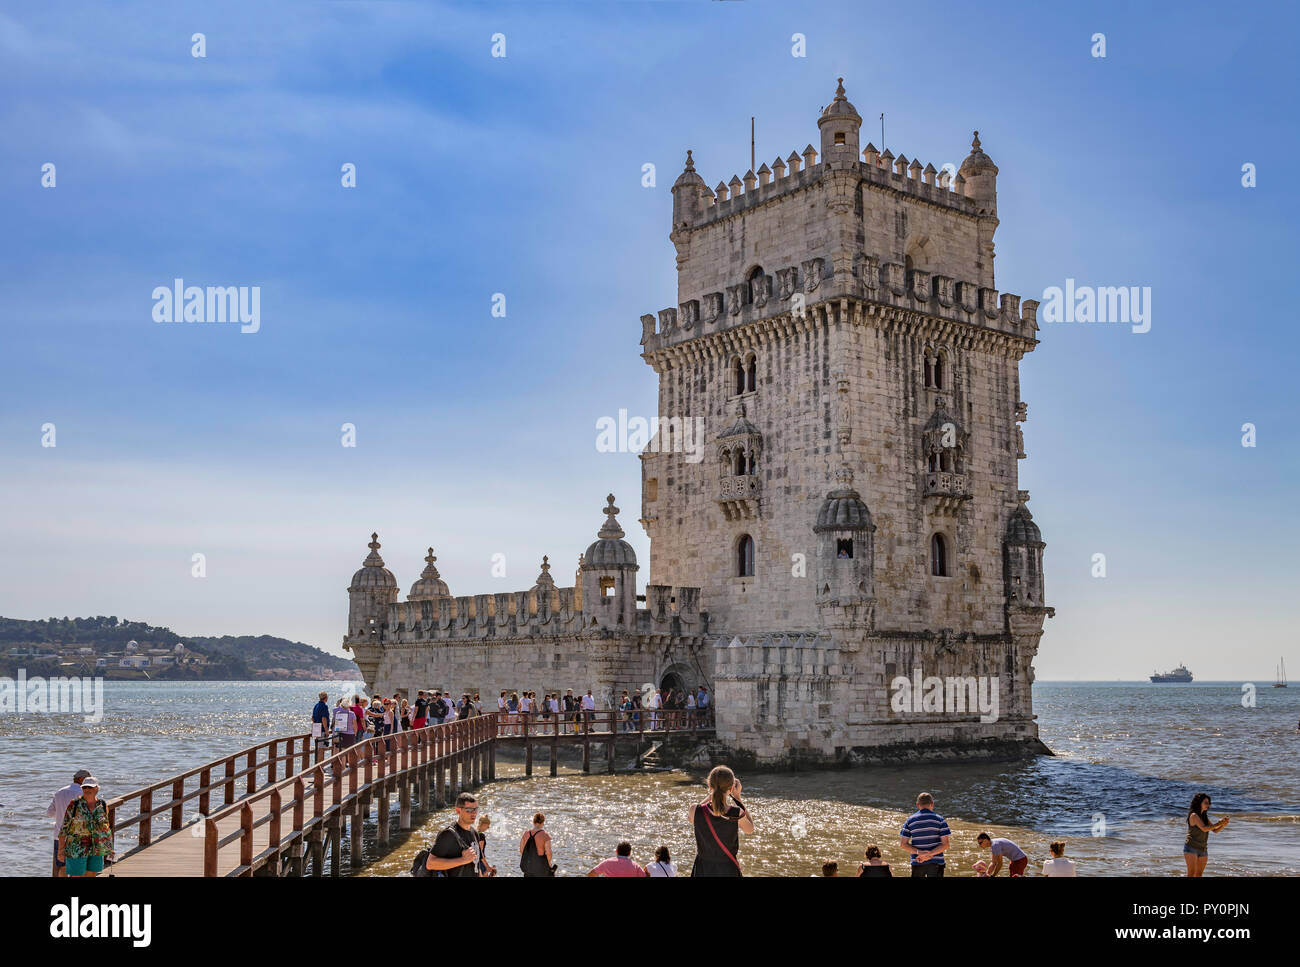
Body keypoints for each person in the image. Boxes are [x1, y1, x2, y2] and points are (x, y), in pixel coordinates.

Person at [689, 765, 753, 876]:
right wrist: (738, 798)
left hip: (703, 869)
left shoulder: (695, 809)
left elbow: (691, 819)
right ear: (731, 789)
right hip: (728, 870)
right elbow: (750, 829)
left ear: (709, 786)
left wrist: (712, 795)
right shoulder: (736, 813)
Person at [58, 777, 113, 877]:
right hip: (76, 847)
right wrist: (61, 850)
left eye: (90, 787)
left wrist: (110, 848)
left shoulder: (102, 805)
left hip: (96, 848)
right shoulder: (74, 804)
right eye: (84, 787)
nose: (87, 790)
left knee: (92, 874)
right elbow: (64, 828)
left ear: (96, 788)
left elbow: (106, 828)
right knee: (77, 875)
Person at [47, 769, 91, 876]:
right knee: (78, 867)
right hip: (78, 836)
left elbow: (49, 813)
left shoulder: (60, 792)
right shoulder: (83, 793)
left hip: (59, 834)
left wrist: (60, 815)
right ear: (81, 779)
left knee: (62, 866)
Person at [425, 793, 482, 876]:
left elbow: (476, 866)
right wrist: (463, 860)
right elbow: (430, 864)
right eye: (469, 810)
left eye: (476, 809)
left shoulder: (474, 833)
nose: (474, 813)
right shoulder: (448, 834)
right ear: (458, 811)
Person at [899, 792, 951, 877]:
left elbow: (903, 844)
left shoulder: (910, 820)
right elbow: (946, 845)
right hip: (936, 862)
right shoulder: (940, 820)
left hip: (918, 861)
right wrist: (930, 854)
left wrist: (919, 853)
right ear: (932, 804)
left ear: (917, 804)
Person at [1184, 792, 1229, 877]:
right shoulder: (1194, 815)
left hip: (1203, 849)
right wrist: (1218, 823)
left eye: (1209, 803)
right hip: (1191, 848)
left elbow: (1215, 830)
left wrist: (1223, 824)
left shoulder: (1204, 816)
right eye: (1206, 803)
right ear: (1199, 802)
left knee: (1199, 875)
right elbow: (1204, 828)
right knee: (1191, 874)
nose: (1208, 805)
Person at [520, 812, 556, 877]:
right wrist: (549, 863)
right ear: (543, 822)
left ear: (533, 821)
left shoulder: (526, 833)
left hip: (529, 867)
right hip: (541, 867)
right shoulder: (545, 835)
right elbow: (549, 852)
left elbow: (521, 850)